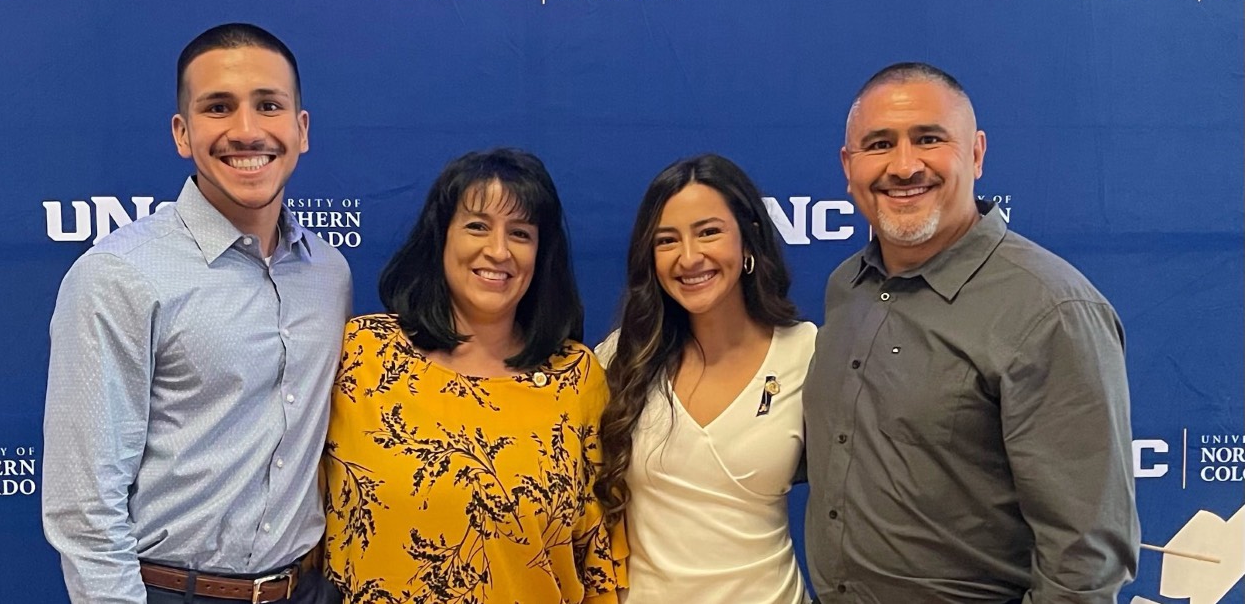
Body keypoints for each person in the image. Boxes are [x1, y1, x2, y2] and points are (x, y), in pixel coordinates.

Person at [804, 62, 1139, 603]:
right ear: (849, 165)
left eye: (929, 139)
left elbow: (1084, 561)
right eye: (879, 144)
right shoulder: (849, 286)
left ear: (977, 153)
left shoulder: (1051, 310)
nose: (904, 165)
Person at [42, 23, 351, 604]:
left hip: (307, 589)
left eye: (269, 105)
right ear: (182, 134)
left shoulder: (327, 274)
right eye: (218, 107)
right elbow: (84, 507)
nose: (246, 130)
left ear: (300, 129)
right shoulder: (117, 276)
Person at [322, 148, 625, 603]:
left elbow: (601, 562)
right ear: (440, 237)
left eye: (520, 233)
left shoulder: (577, 376)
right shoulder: (361, 354)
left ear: (540, 254)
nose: (498, 251)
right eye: (477, 226)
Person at [594, 154, 814, 604]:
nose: (689, 257)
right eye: (667, 240)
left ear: (748, 239)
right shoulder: (621, 357)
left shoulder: (808, 352)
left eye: (709, 232)